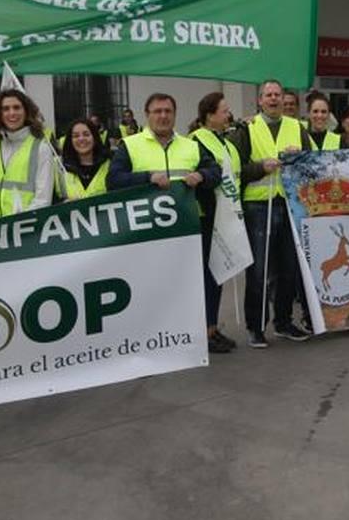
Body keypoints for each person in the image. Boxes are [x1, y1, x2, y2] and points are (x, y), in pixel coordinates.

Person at [230, 78, 314, 347]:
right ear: (259, 100)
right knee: (259, 270)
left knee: (289, 268)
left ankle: (284, 321)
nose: (274, 99)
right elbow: (237, 168)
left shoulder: (297, 128)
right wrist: (260, 168)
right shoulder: (247, 128)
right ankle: (256, 326)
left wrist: (297, 156)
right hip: (258, 205)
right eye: (268, 95)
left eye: (278, 94)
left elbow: (311, 163)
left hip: (289, 203)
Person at [189, 91, 245, 354]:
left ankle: (211, 327)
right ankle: (205, 330)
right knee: (208, 276)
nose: (229, 114)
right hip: (206, 217)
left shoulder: (226, 142)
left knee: (218, 274)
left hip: (225, 217)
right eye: (224, 110)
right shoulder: (197, 141)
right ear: (209, 115)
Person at [107, 92, 218, 199]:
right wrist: (148, 178)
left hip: (186, 216)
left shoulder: (192, 146)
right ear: (147, 115)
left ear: (175, 114)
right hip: (146, 216)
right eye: (157, 111)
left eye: (168, 111)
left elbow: (216, 171)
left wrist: (201, 175)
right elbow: (113, 180)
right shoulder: (129, 145)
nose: (163, 116)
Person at [0, 88, 56, 220]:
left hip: (22, 232)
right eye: (5, 109)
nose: (12, 113)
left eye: (17, 107)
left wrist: (16, 224)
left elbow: (43, 200)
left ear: (26, 111)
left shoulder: (41, 148)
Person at [59, 118, 110, 199]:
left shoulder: (110, 165)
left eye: (86, 134)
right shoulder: (60, 169)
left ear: (95, 137)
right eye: (76, 136)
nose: (81, 139)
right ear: (70, 141)